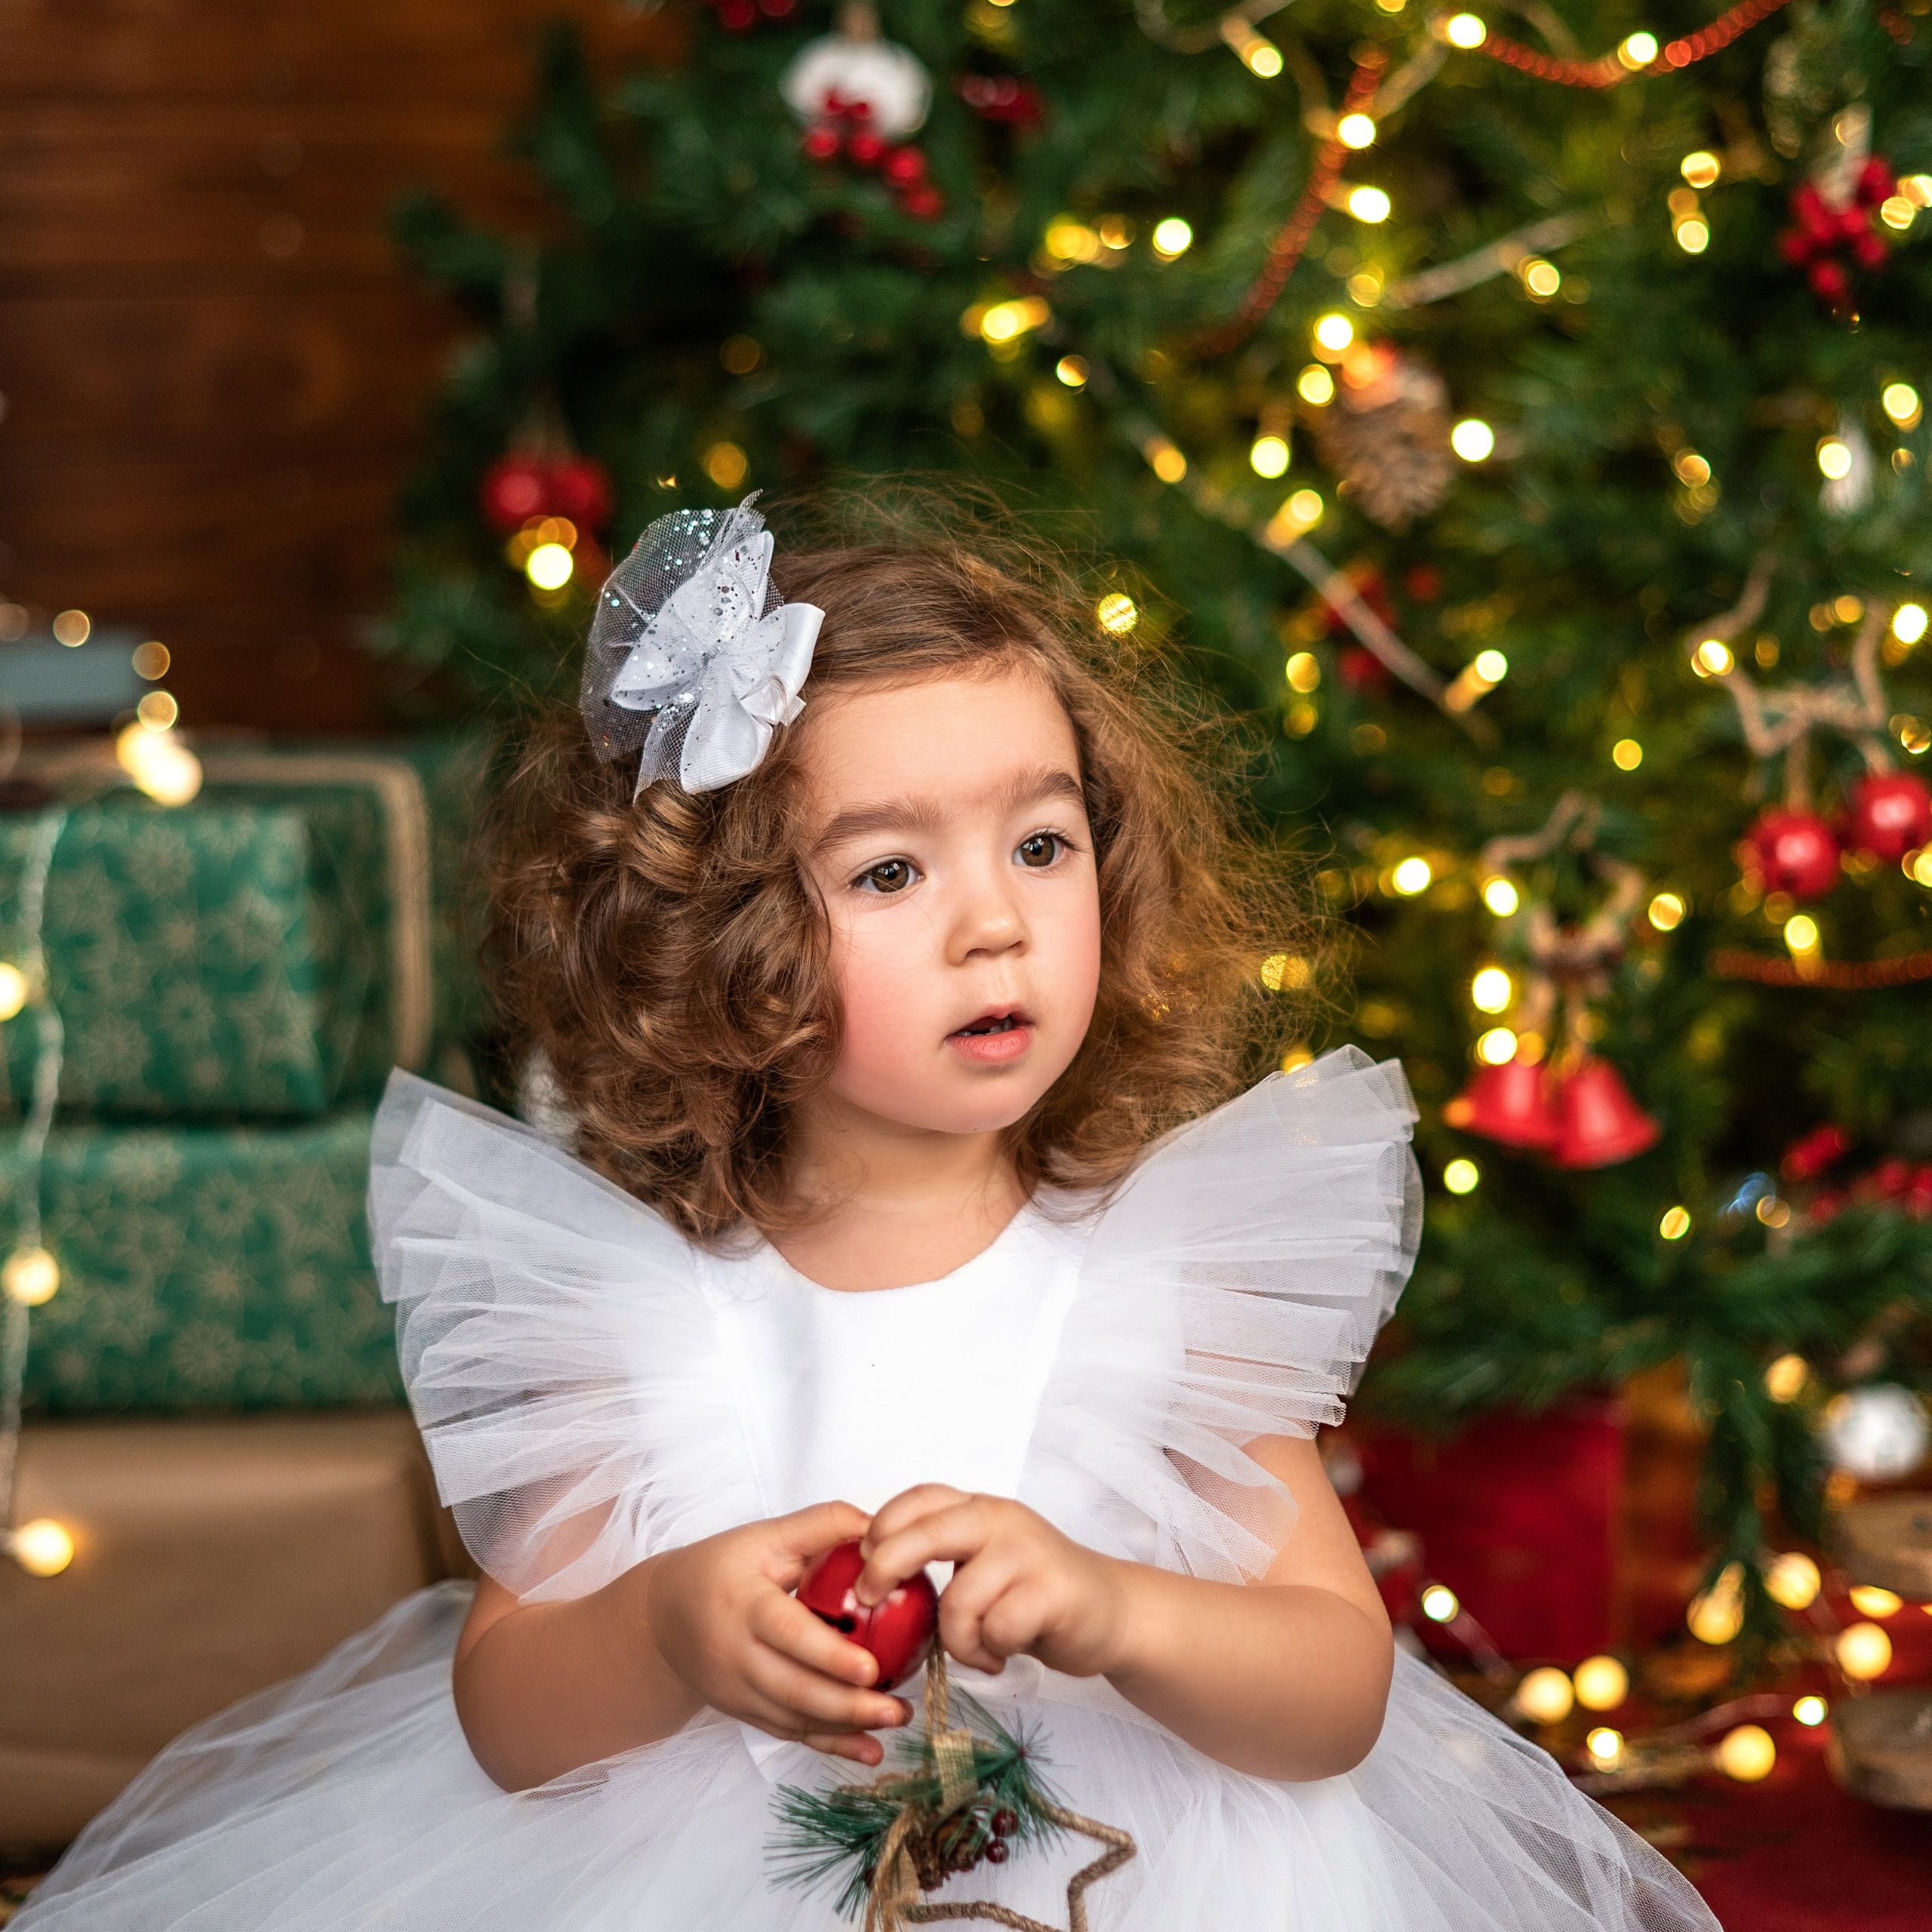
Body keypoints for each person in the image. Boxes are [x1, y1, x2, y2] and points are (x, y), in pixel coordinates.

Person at [20, 492, 1718, 1931]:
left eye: (1041, 845)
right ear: (732, 934)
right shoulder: (638, 1303)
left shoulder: (1154, 1276)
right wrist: (668, 1623)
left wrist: (1114, 1605)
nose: (995, 923)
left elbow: (1331, 1692)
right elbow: (514, 1720)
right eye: (891, 870)